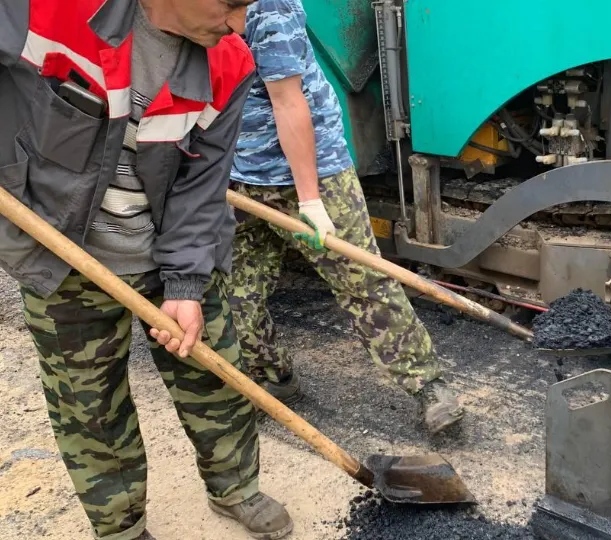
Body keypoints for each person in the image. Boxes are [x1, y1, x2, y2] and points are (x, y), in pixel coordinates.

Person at [0, 0, 294, 538]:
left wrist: (186, 284)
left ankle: (236, 488)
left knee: (215, 378)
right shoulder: (48, 10)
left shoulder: (230, 62)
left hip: (167, 250)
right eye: (231, 4)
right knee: (89, 408)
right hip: (59, 255)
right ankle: (122, 528)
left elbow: (200, 190)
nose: (239, 24)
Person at [228, 0, 465, 434]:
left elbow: (288, 103)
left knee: (363, 281)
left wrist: (309, 201)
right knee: (235, 290)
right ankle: (272, 377)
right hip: (237, 177)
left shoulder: (267, 9)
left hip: (310, 172)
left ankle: (428, 386)